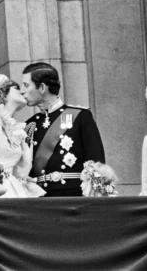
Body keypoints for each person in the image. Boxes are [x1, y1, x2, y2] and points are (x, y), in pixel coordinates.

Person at [21, 62, 105, 197]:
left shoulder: (80, 116)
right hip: (41, 198)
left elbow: (96, 163)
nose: (22, 90)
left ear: (42, 87)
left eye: (26, 85)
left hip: (75, 197)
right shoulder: (30, 125)